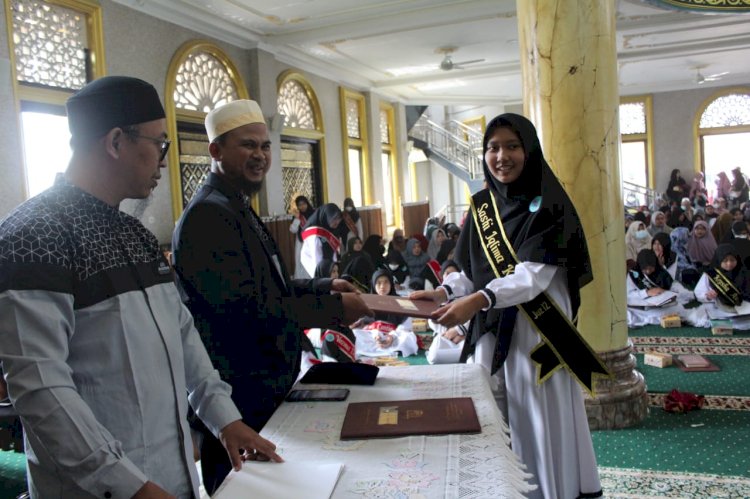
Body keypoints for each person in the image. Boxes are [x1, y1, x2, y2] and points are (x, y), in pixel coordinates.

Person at [0, 77, 282, 499]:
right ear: (116, 142)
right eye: (160, 145)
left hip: (169, 478)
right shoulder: (34, 237)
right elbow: (42, 389)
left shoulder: (136, 234)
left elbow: (182, 333)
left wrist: (225, 419)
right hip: (102, 488)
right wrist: (129, 487)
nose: (164, 160)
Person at [171, 99, 370, 493]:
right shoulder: (208, 216)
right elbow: (249, 309)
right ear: (216, 151)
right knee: (243, 490)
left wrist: (324, 286)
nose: (260, 156)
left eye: (265, 146)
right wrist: (331, 309)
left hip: (265, 388)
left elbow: (272, 283)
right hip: (237, 397)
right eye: (248, 146)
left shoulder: (236, 205)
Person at [411, 113, 606, 499]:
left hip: (538, 331)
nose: (502, 156)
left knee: (537, 416)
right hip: (491, 325)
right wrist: (446, 292)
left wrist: (478, 300)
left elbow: (533, 276)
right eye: (493, 147)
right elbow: (470, 271)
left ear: (529, 150)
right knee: (492, 411)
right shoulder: (483, 208)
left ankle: (550, 492)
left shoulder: (551, 204)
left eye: (512, 146)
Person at [300, 203, 344, 277]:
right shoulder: (314, 235)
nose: (337, 222)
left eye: (338, 219)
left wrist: (335, 270)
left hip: (328, 270)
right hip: (315, 270)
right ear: (326, 217)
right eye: (334, 219)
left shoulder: (331, 230)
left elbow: (334, 254)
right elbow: (316, 260)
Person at [289, 194, 315, 279]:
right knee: (301, 263)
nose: (302, 206)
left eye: (304, 204)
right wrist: (297, 219)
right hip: (301, 243)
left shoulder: (314, 214)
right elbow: (292, 230)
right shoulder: (298, 216)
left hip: (312, 243)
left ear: (307, 203)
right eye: (300, 205)